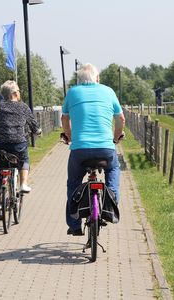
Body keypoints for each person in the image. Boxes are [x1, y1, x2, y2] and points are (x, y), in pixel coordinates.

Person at [61, 63, 125, 236]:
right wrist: (116, 136)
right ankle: (112, 200)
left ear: (79, 80)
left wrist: (69, 136)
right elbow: (120, 118)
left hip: (80, 149)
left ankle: (74, 225)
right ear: (97, 78)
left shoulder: (72, 92)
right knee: (113, 168)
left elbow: (64, 118)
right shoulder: (108, 91)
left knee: (73, 183)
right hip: (105, 148)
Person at [0, 80, 41, 220]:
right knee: (24, 159)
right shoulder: (22, 107)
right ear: (15, 93)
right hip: (17, 143)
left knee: (0, 172)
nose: (19, 93)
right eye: (18, 91)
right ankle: (23, 184)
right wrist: (38, 131)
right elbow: (34, 126)